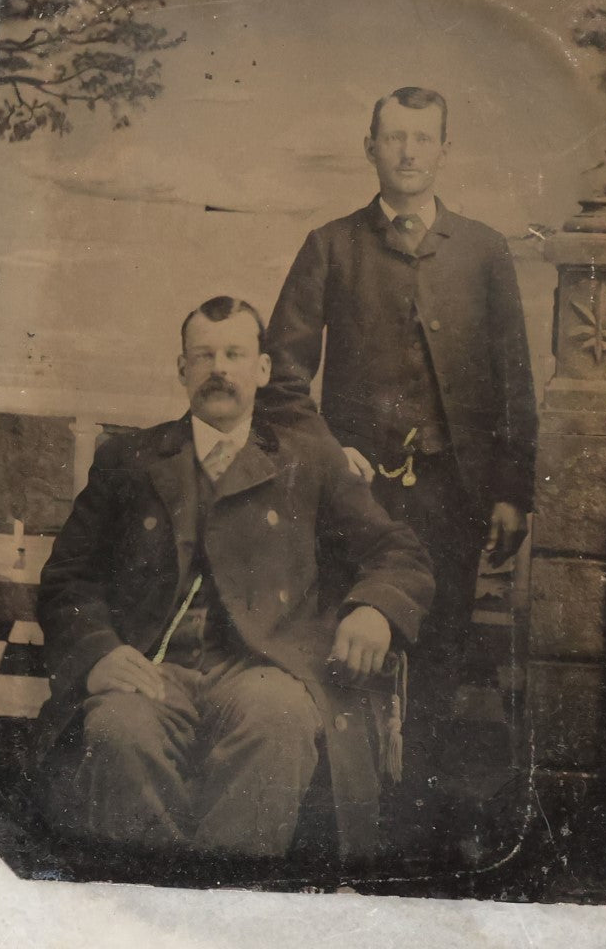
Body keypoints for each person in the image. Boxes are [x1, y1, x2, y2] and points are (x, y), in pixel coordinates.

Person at [34, 296, 433, 864]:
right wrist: (98, 652)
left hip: (265, 665)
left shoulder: (309, 459)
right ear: (182, 370)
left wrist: (375, 608)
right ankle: (158, 899)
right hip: (154, 664)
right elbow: (68, 577)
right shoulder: (129, 459)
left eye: (234, 354)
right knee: (119, 729)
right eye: (203, 356)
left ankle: (227, 893)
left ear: (263, 369)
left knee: (280, 721)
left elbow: (397, 551)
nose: (218, 369)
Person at [265, 87, 538, 797]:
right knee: (348, 647)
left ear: (444, 149)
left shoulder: (483, 250)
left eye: (422, 138)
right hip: (356, 496)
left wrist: (512, 492)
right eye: (394, 138)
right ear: (370, 148)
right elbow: (281, 377)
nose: (408, 152)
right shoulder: (330, 245)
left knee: (440, 658)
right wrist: (328, 451)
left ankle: (418, 814)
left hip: (454, 496)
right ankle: (346, 810)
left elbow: (513, 380)